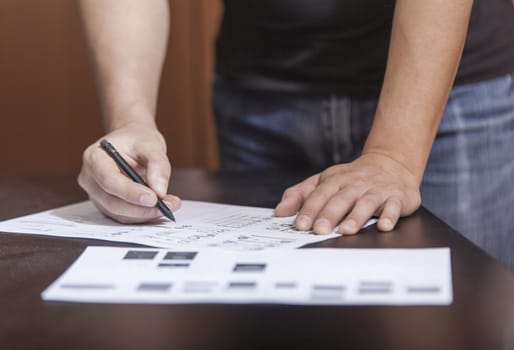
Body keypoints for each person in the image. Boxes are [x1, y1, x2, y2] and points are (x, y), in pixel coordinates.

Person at [77, 0, 514, 270]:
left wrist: (394, 156)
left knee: (450, 326)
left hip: (448, 93)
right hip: (260, 91)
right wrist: (130, 117)